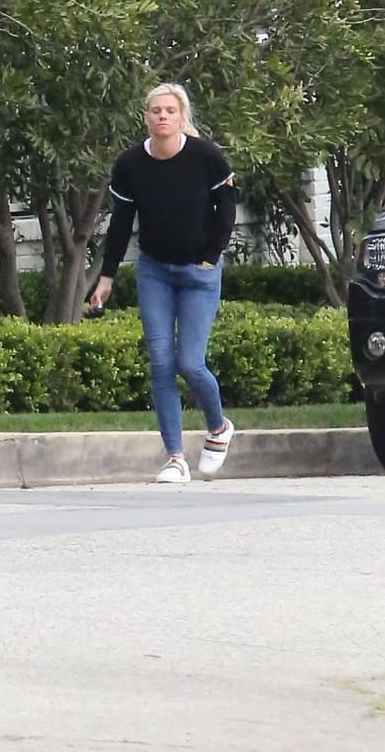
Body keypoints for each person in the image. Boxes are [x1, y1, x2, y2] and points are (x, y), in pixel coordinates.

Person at [89, 82, 237, 484]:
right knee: (161, 362)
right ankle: (174, 457)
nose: (163, 117)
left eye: (170, 110)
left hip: (198, 273)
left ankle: (219, 428)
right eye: (156, 110)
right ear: (146, 116)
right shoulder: (131, 164)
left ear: (181, 115)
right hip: (155, 270)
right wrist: (107, 277)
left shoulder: (205, 156)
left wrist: (210, 256)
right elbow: (121, 223)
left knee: (190, 362)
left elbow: (226, 209)